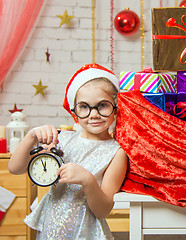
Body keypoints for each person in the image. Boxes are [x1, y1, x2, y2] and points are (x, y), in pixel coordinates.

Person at [8, 63, 128, 239]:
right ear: (75, 111)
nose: (93, 114)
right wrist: (31, 136)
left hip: (86, 232)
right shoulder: (61, 139)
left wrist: (88, 180)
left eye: (102, 105)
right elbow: (15, 168)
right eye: (84, 107)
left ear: (115, 107)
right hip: (51, 230)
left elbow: (103, 210)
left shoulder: (116, 153)